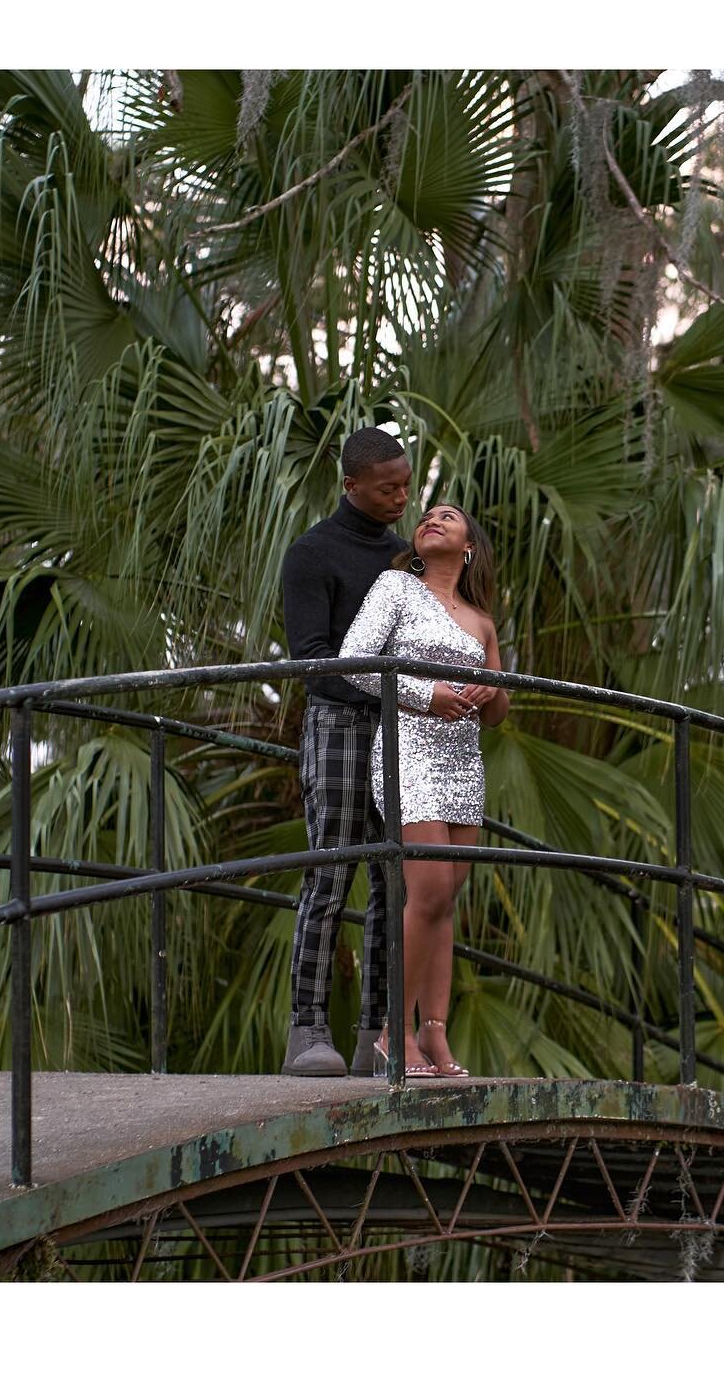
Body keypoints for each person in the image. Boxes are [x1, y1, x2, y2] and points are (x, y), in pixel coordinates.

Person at [278, 429, 478, 1076]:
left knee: (400, 885)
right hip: (340, 725)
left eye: (406, 483)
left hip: (412, 739)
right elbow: (314, 662)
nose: (402, 497)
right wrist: (408, 693)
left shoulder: (407, 560)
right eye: (388, 487)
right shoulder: (313, 553)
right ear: (351, 486)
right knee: (331, 875)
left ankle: (377, 1034)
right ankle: (308, 1029)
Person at [338, 503, 509, 1077]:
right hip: (409, 746)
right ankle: (394, 1030)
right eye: (428, 514)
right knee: (429, 888)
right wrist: (424, 694)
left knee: (445, 899)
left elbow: (499, 714)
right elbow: (353, 662)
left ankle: (436, 1035)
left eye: (449, 515)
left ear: (468, 548)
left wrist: (490, 691)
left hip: (464, 759)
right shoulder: (395, 588)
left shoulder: (482, 621)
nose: (433, 517)